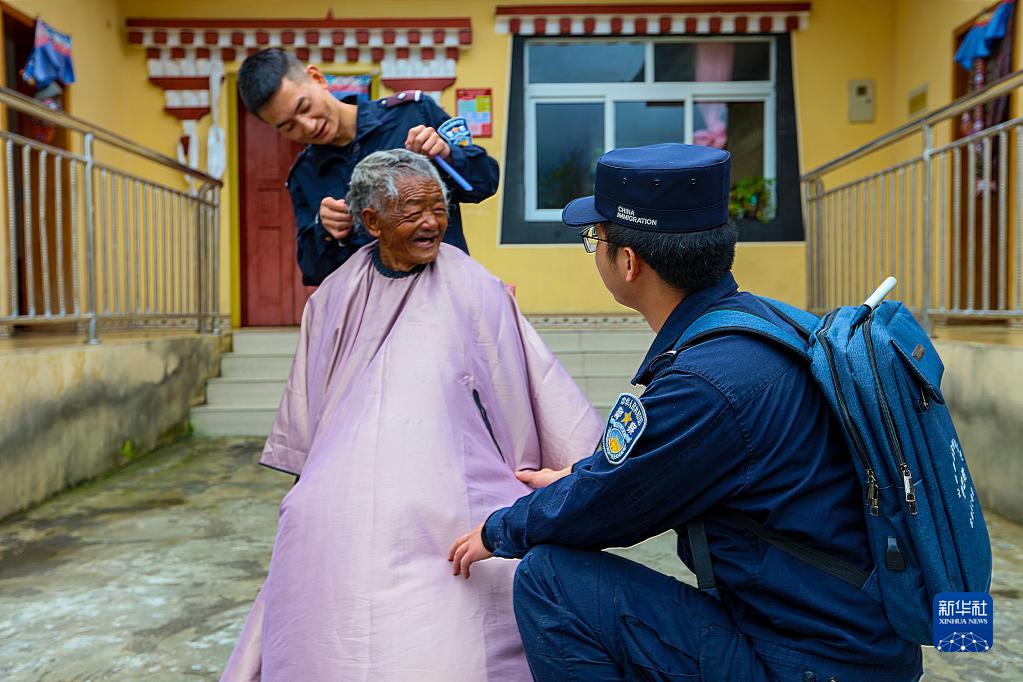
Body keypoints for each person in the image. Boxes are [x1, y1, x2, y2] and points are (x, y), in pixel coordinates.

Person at [449, 143, 924, 681]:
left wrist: (497, 530)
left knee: (549, 578)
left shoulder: (706, 383)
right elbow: (650, 469)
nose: (595, 250)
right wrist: (578, 477)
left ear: (629, 262)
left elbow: (608, 507)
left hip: (810, 661)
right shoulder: (766, 323)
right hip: (853, 641)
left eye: (595, 239)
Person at [221, 150, 602, 681]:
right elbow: (313, 399)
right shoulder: (334, 295)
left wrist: (531, 467)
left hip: (448, 465)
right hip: (345, 468)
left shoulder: (476, 286)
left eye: (438, 209)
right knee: (308, 515)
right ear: (372, 220)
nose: (430, 223)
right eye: (412, 212)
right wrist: (311, 472)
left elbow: (517, 386)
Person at [237, 48, 499, 285]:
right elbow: (314, 272)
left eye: (304, 107)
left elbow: (485, 183)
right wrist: (324, 229)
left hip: (444, 296)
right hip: (370, 314)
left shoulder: (413, 114)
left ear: (317, 78)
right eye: (288, 126)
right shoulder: (304, 176)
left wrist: (447, 154)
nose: (308, 126)